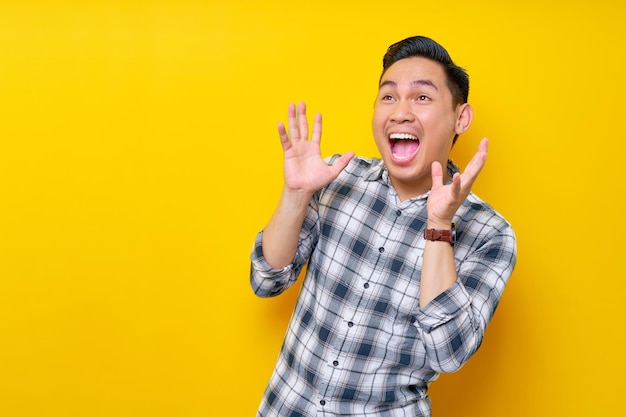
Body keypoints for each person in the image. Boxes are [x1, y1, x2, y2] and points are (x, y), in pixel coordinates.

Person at [249, 35, 517, 417]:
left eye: (422, 97)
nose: (400, 112)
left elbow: (449, 352)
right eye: (388, 96)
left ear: (461, 117)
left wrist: (439, 226)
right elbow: (265, 280)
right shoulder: (337, 179)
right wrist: (295, 194)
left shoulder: (490, 233)